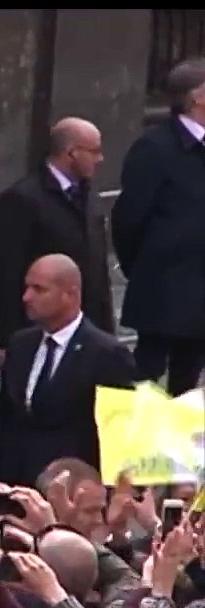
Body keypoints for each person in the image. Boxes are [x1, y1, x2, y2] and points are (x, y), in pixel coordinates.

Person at [0, 254, 137, 502]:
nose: (26, 297)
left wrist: (112, 498)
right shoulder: (21, 345)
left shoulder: (105, 354)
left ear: (70, 294)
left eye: (39, 289)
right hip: (15, 491)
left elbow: (118, 436)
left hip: (70, 494)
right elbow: (4, 422)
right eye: (27, 287)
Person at [111, 57, 205, 396]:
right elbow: (129, 217)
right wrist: (146, 267)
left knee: (188, 382)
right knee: (146, 378)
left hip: (199, 290)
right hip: (162, 286)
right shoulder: (155, 146)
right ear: (197, 97)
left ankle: (178, 448)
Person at [0, 117, 115, 357]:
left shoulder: (89, 197)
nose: (100, 159)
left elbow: (98, 270)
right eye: (94, 151)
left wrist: (107, 333)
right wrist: (8, 339)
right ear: (72, 153)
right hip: (39, 332)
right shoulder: (22, 200)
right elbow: (4, 275)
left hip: (86, 331)